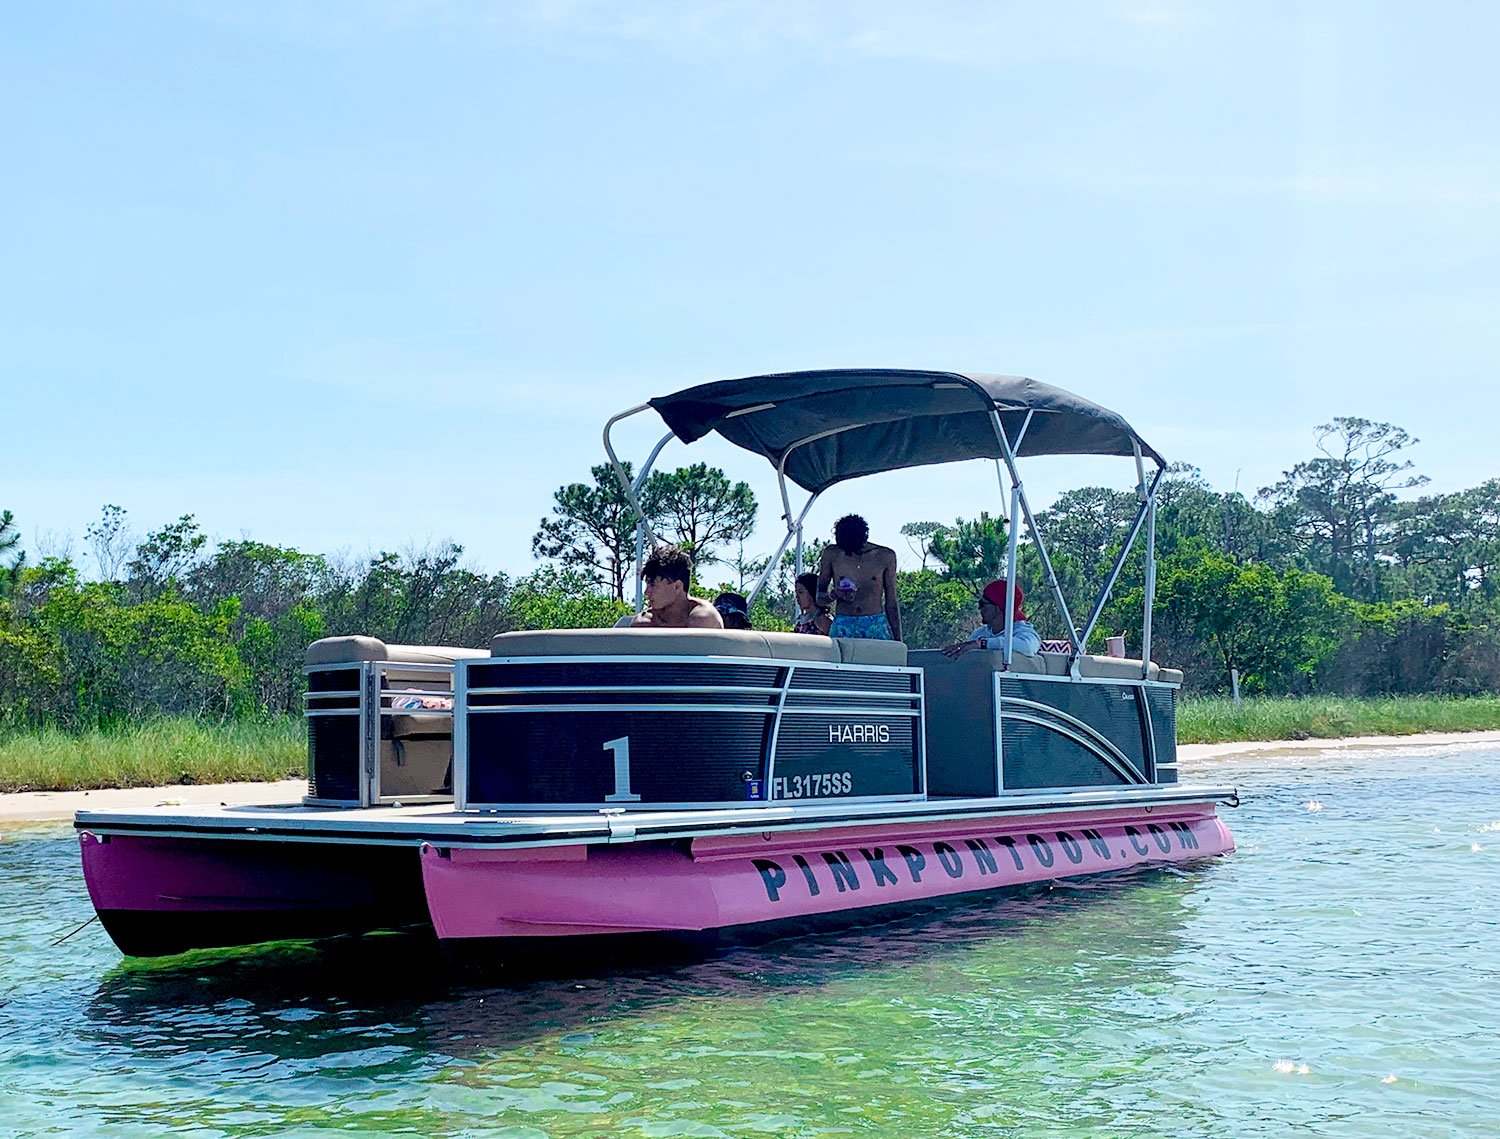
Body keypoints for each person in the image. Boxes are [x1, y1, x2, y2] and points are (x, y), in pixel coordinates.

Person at [816, 514, 902, 641]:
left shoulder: (884, 556)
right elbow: (819, 598)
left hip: (874, 623)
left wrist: (898, 640)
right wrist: (834, 595)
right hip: (844, 623)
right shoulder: (832, 554)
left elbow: (891, 602)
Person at [940, 578, 1042, 659]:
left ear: (997, 608)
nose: (979, 608)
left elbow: (1028, 647)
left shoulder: (1023, 631)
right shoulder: (979, 633)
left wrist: (983, 644)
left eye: (982, 604)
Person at [631, 545, 724, 629]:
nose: (646, 592)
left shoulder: (703, 619)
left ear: (677, 587)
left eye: (653, 585)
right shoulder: (643, 623)